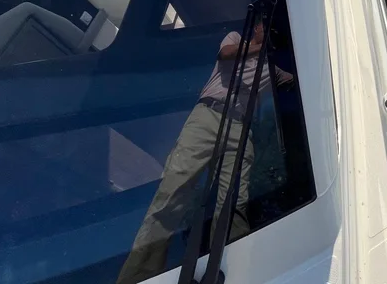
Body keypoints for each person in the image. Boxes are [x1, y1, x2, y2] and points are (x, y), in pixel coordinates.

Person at [117, 22, 292, 284]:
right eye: (266, 26)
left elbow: (298, 77)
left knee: (234, 201)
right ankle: (140, 276)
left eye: (274, 31)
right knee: (173, 191)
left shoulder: (273, 69)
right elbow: (226, 54)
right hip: (208, 116)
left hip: (240, 128)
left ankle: (235, 270)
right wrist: (259, 46)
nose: (270, 33)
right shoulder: (236, 38)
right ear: (256, 27)